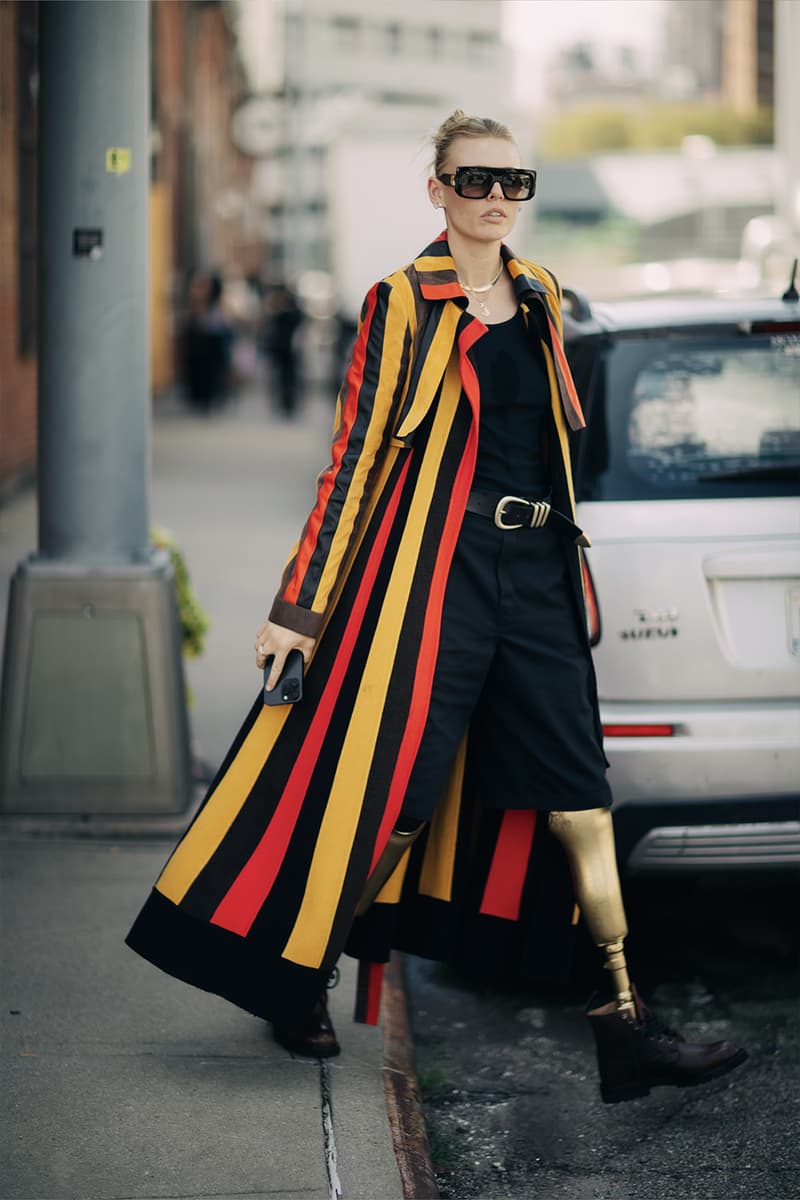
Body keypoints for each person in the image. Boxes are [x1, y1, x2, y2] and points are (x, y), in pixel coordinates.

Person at [127, 111, 746, 1104]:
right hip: (433, 573)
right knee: (394, 793)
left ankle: (625, 1025)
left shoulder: (543, 293)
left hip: (536, 571)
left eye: (512, 181)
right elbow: (357, 458)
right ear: (437, 192)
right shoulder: (398, 302)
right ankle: (298, 979)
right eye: (473, 180)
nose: (495, 196)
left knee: (578, 791)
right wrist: (301, 607)